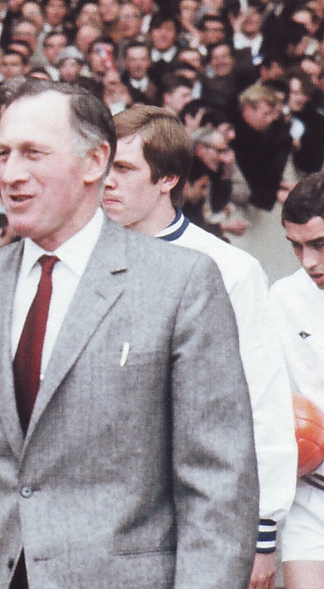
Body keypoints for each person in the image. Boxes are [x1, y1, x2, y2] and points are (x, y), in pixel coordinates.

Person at [0, 78, 259, 589]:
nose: (11, 174)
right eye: (2, 154)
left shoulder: (180, 284)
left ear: (94, 162)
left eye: (33, 153)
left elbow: (217, 486)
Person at [102, 105, 298, 589]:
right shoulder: (77, 265)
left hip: (193, 521)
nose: (107, 182)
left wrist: (263, 530)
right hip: (98, 519)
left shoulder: (230, 270)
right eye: (103, 167)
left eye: (123, 168)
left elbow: (262, 400)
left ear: (167, 178)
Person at [269, 171, 324, 589]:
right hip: (311, 493)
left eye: (320, 244)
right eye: (296, 246)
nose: (308, 262)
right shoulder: (281, 299)